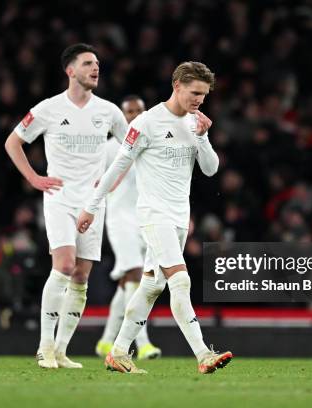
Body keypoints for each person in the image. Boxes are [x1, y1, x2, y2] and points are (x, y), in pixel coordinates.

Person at [78, 61, 233, 374]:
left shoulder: (195, 123)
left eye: (203, 94)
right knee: (180, 279)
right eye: (195, 92)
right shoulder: (146, 123)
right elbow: (117, 167)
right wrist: (91, 207)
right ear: (177, 86)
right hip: (153, 215)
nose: (199, 99)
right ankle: (203, 354)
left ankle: (118, 352)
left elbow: (211, 168)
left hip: (179, 218)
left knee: (150, 287)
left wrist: (203, 137)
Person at [4, 43, 128, 369]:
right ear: (70, 70)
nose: (95, 68)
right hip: (60, 197)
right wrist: (33, 177)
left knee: (82, 275)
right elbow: (12, 142)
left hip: (92, 202)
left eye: (97, 63)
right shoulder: (49, 109)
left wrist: (110, 183)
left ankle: (61, 350)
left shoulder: (109, 111)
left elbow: (131, 149)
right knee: (64, 263)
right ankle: (44, 346)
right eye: (88, 63)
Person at [95, 95, 161, 360]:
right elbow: (97, 181)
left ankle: (106, 340)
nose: (134, 115)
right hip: (119, 218)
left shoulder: (152, 145)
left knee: (129, 283)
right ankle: (142, 344)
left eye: (138, 111)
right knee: (136, 274)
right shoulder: (110, 148)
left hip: (145, 219)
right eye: (129, 112)